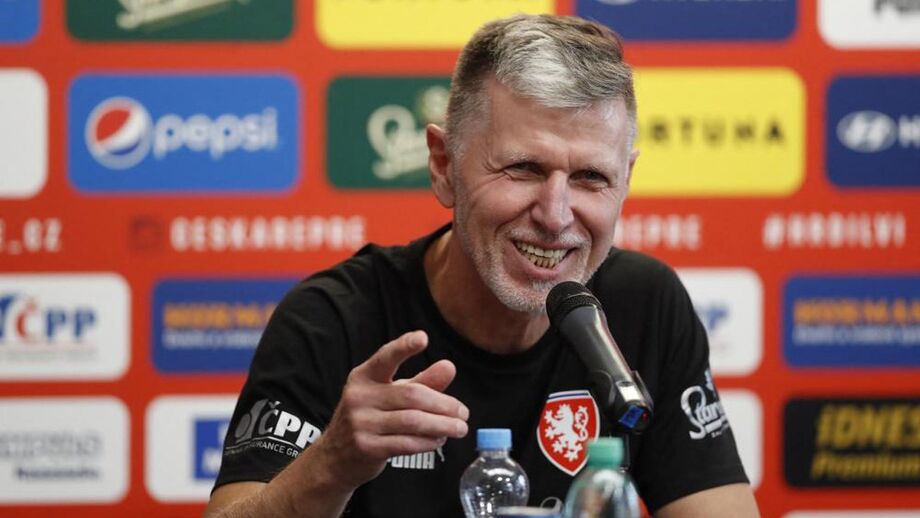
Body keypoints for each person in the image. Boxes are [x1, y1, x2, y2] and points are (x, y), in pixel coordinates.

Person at [204, 13, 760, 518]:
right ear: (443, 165)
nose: (555, 215)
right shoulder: (330, 319)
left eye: (591, 177)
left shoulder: (645, 302)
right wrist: (330, 465)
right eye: (523, 168)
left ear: (626, 181)